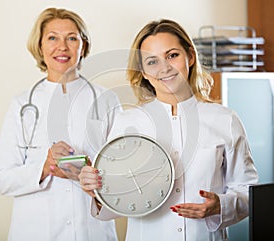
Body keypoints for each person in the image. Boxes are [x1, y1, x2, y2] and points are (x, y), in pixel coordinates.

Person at [78, 19, 259, 241]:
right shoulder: (127, 122)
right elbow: (118, 201)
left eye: (172, 55)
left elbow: (249, 191)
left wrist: (220, 206)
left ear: (190, 57)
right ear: (142, 71)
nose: (164, 68)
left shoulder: (224, 120)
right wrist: (96, 191)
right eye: (152, 61)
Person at [0, 7, 121, 241]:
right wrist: (44, 167)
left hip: (91, 231)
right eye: (52, 38)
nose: (62, 47)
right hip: (36, 231)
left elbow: (122, 176)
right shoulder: (22, 104)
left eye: (72, 38)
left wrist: (96, 176)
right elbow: (1, 179)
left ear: (83, 46)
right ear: (40, 46)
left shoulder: (107, 100)